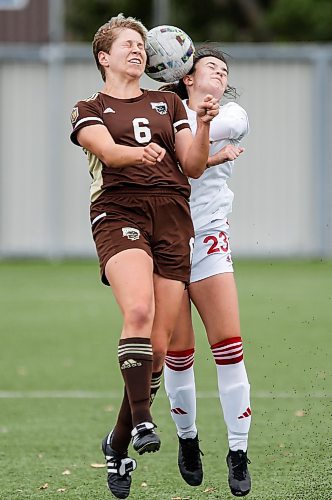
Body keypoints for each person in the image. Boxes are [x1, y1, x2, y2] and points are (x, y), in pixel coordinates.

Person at [69, 15, 219, 499]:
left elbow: (192, 166)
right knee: (137, 311)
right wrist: (142, 155)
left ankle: (117, 443)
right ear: (103, 58)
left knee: (156, 350)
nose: (137, 50)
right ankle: (143, 423)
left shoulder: (169, 101)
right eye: (126, 45)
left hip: (173, 218)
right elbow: (110, 153)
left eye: (141, 45)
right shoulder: (89, 106)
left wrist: (203, 125)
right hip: (119, 211)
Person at [161, 45, 252, 497]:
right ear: (186, 76)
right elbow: (174, 159)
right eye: (210, 67)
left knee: (229, 347)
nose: (220, 72)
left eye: (225, 70)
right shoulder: (166, 114)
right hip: (168, 241)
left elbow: (225, 126)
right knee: (179, 353)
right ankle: (188, 440)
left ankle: (238, 452)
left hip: (211, 237)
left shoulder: (231, 113)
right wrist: (190, 122)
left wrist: (199, 118)